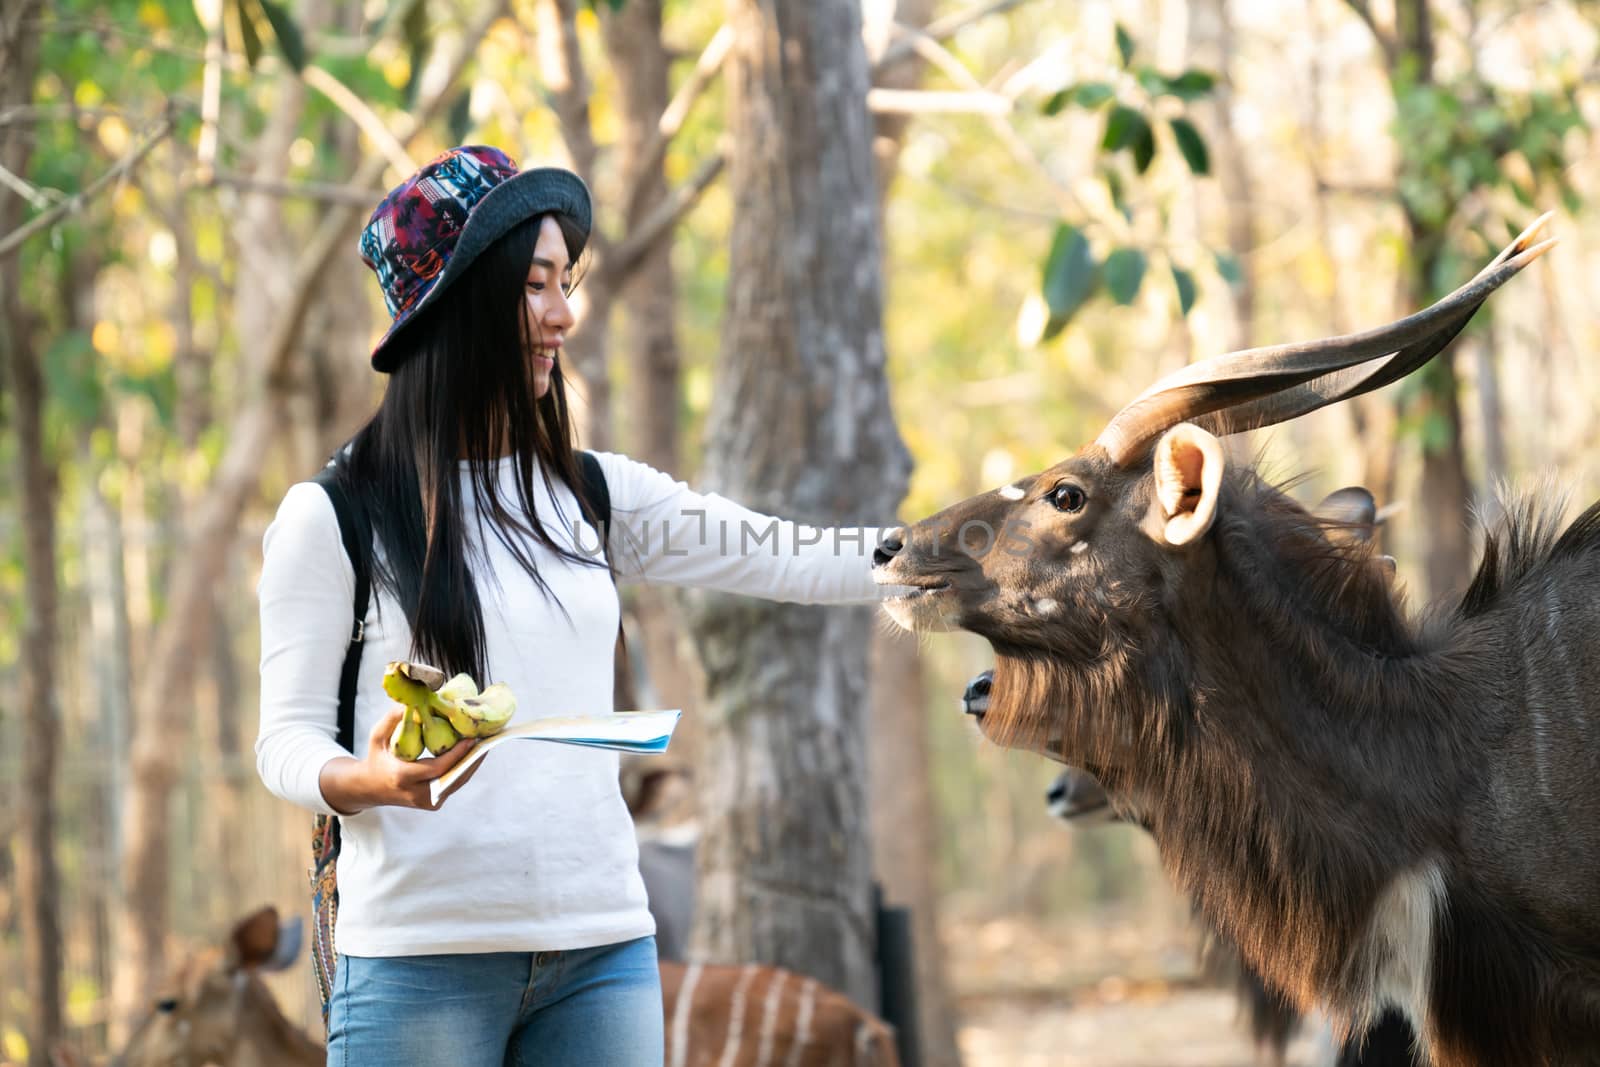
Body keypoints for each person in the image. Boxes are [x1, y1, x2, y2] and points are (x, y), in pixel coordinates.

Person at [254, 145, 890, 1066]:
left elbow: (785, 554)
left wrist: (961, 554)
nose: (563, 314)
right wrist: (374, 779)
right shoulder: (335, 514)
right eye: (536, 287)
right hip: (420, 967)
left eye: (566, 282)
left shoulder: (592, 495)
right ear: (461, 307)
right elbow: (285, 740)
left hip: (603, 952)